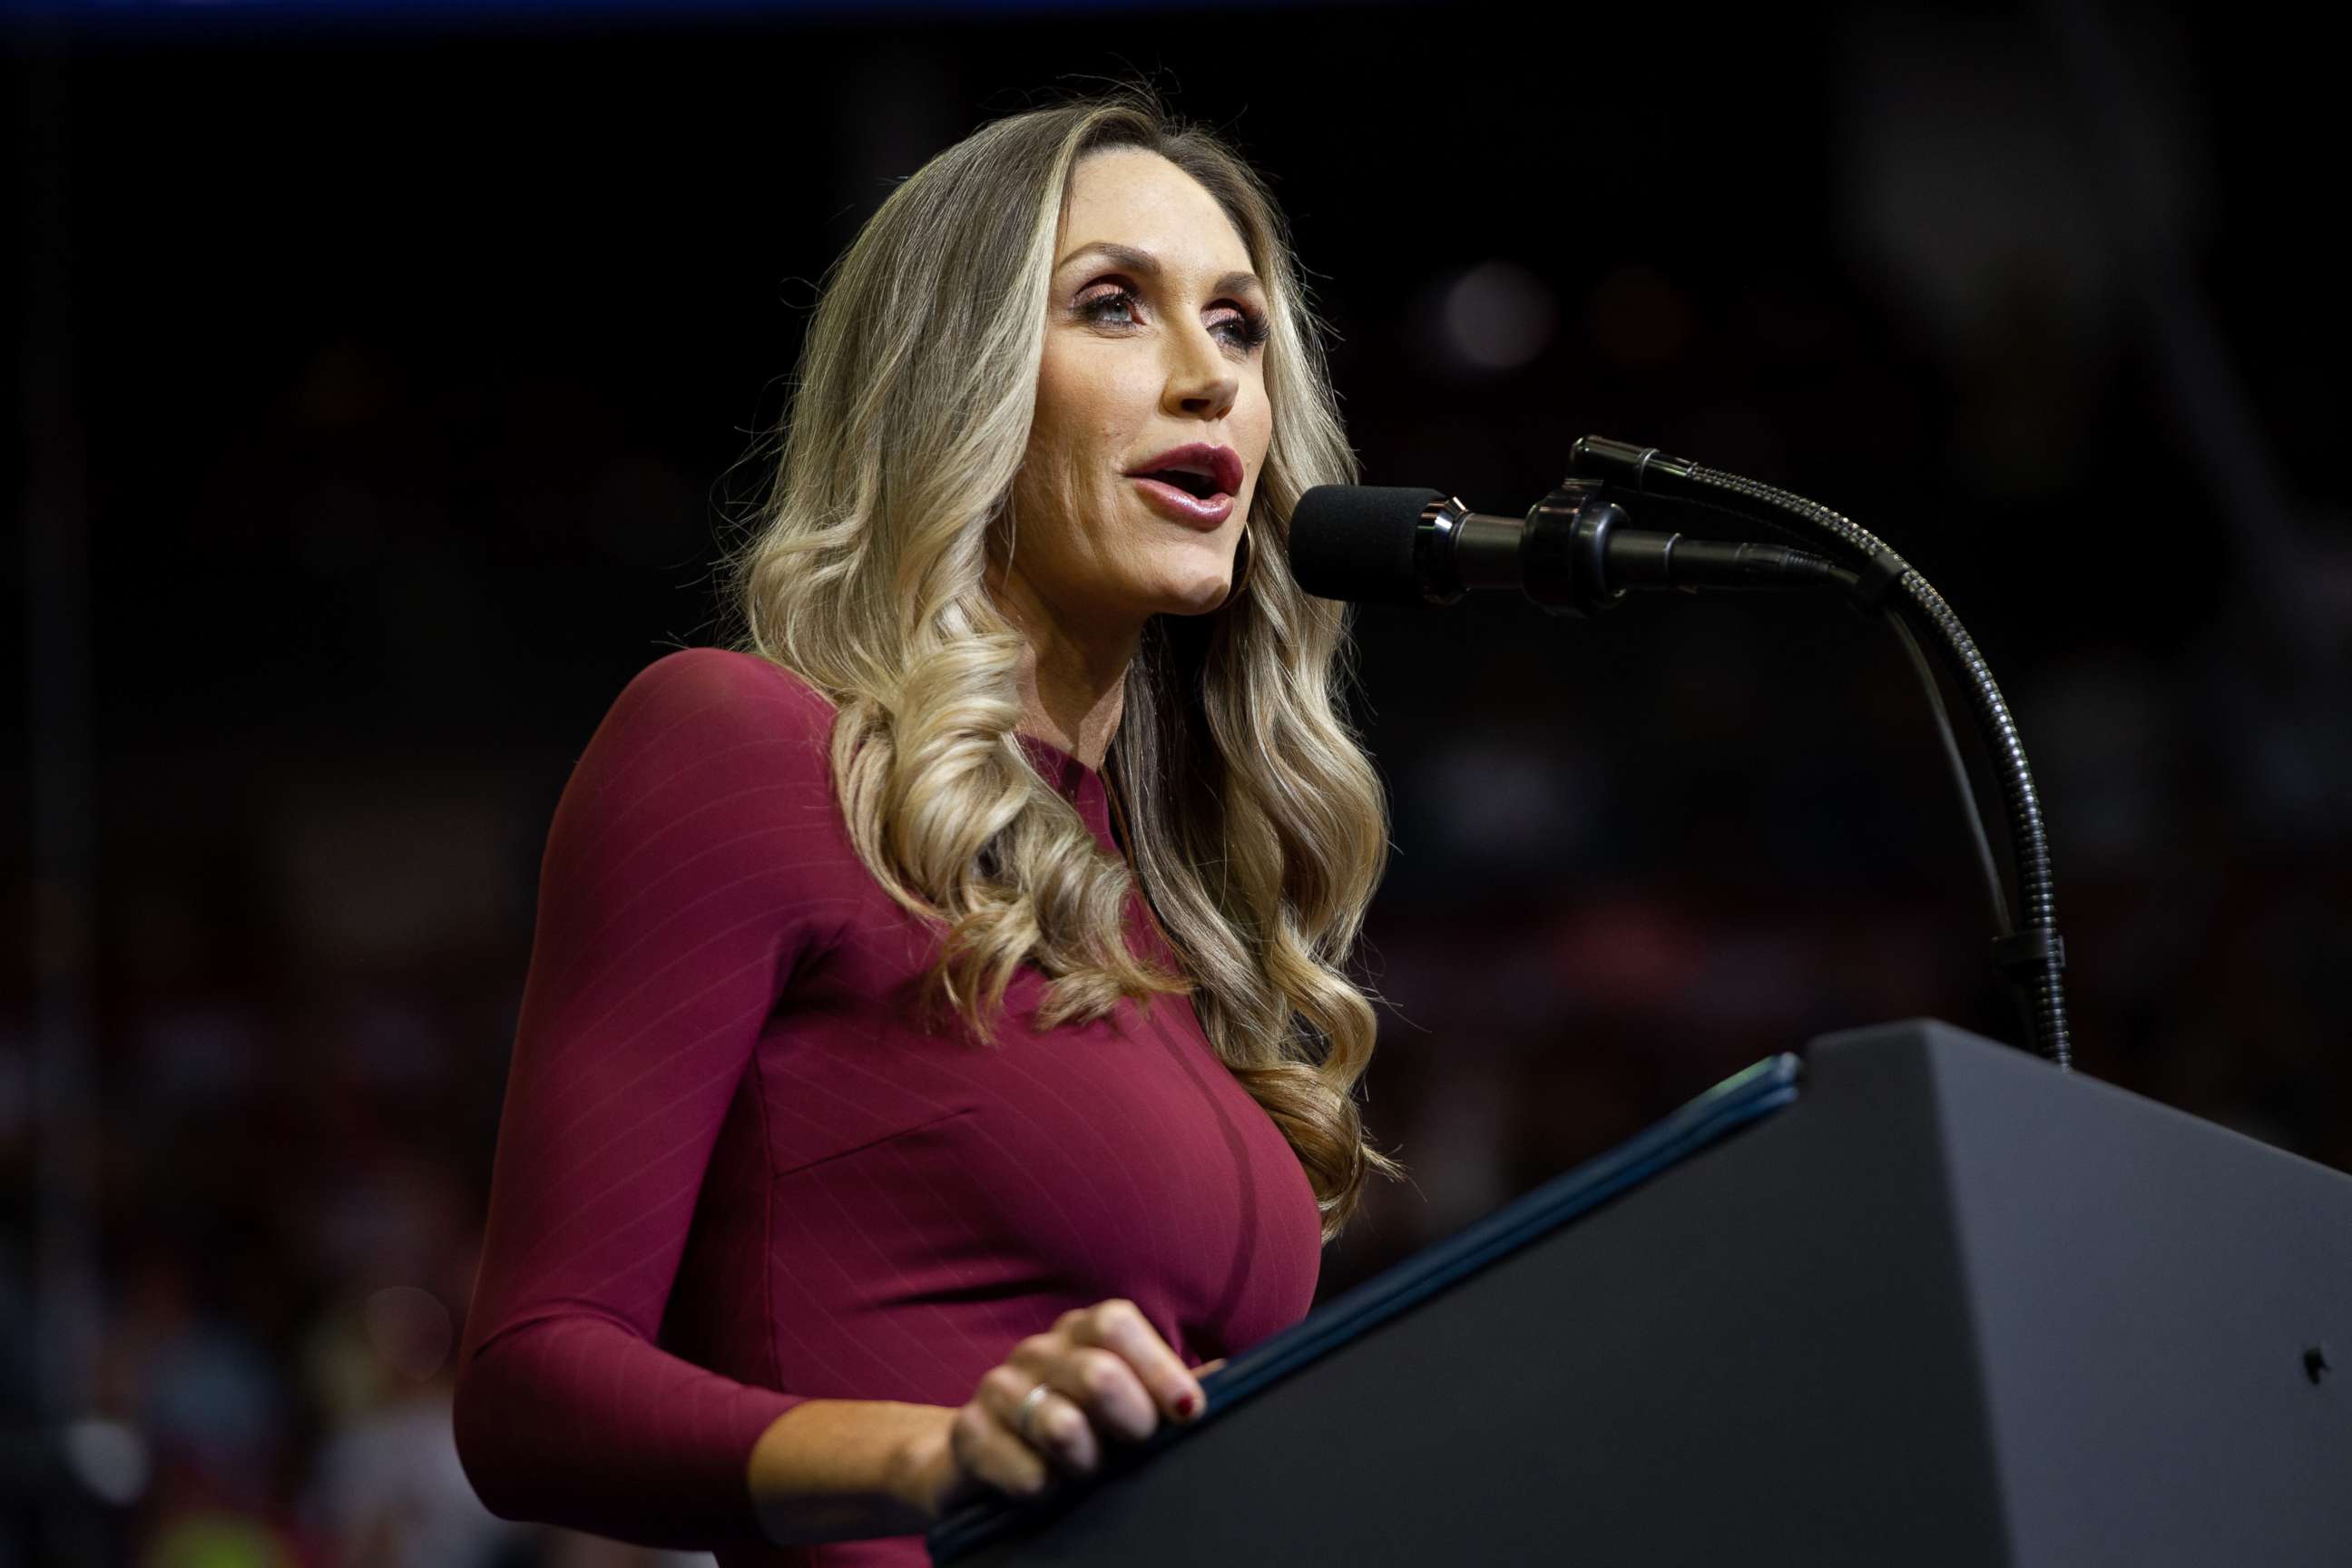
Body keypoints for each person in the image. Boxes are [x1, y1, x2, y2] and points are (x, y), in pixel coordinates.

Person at [451, 83, 1403, 1566]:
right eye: (1112, 306)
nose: (1211, 378)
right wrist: (937, 1456)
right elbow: (527, 1382)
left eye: (1237, 324)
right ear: (950, 383)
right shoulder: (742, 749)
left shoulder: (1167, 915)